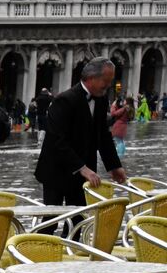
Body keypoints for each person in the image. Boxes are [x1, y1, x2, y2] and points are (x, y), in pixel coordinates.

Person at [35, 57, 127, 207]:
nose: (109, 85)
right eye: (106, 80)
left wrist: (114, 166)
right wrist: (81, 168)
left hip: (84, 173)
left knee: (79, 219)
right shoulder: (64, 100)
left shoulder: (101, 100)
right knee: (50, 222)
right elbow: (57, 140)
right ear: (91, 79)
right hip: (56, 170)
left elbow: (103, 135)